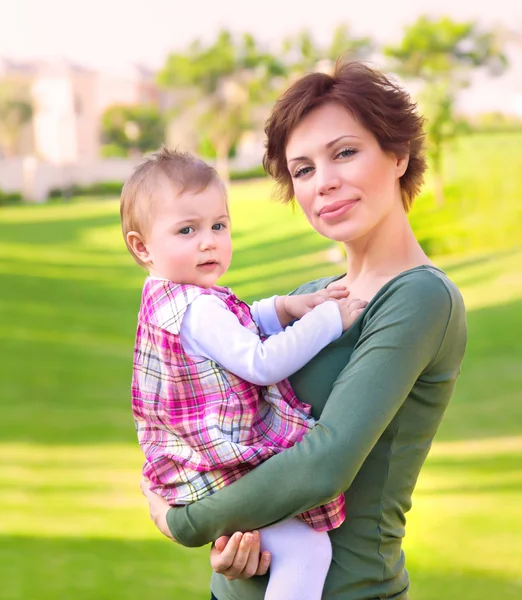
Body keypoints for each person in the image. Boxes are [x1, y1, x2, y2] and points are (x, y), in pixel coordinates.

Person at [140, 59, 468, 600]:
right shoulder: (318, 296)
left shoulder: (418, 297)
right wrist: (233, 539)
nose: (325, 182)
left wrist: (187, 522)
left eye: (344, 152)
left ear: (398, 154)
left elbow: (324, 465)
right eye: (303, 169)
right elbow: (236, 430)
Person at [120, 147, 368, 600]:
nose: (208, 241)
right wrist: (327, 320)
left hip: (186, 465)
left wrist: (285, 308)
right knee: (306, 551)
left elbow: (233, 326)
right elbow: (260, 361)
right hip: (215, 464)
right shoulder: (195, 307)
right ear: (142, 247)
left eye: (218, 225)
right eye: (187, 230)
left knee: (294, 549)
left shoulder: (169, 297)